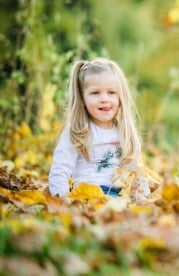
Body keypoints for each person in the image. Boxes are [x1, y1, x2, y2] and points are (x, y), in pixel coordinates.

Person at [48, 58, 143, 197]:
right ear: (82, 99)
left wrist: (144, 198)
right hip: (88, 196)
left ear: (120, 97)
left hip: (119, 194)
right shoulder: (78, 132)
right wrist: (62, 201)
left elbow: (135, 173)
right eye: (95, 93)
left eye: (111, 92)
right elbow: (59, 171)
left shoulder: (123, 132)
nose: (104, 99)